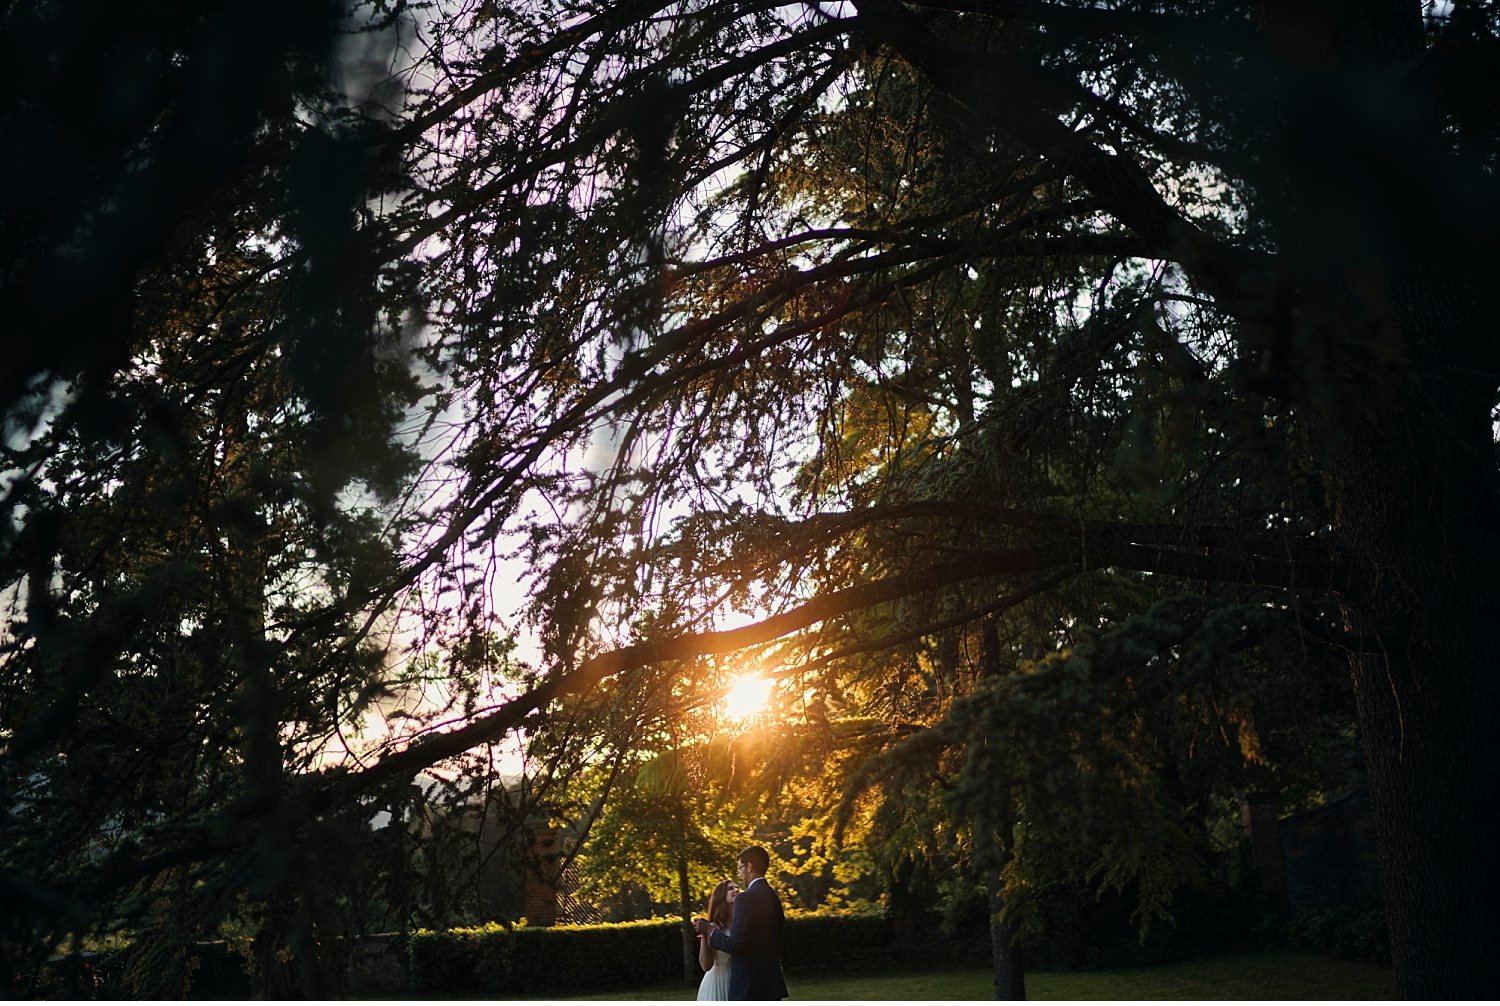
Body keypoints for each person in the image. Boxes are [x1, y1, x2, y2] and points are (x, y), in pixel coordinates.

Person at [694, 845, 788, 1000]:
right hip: (771, 983)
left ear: (749, 867)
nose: (740, 874)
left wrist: (710, 931)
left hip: (749, 985)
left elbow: (737, 945)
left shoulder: (746, 899)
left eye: (740, 868)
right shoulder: (773, 897)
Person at [696, 880, 738, 1000]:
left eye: (736, 888)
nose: (736, 890)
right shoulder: (714, 927)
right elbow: (705, 965)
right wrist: (705, 935)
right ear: (721, 896)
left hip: (737, 980)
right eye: (730, 888)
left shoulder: (741, 924)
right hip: (717, 982)